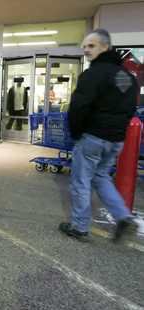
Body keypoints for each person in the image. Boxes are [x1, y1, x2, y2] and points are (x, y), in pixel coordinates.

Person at [59, 28, 138, 242]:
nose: (86, 50)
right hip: (115, 140)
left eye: (91, 45)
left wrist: (76, 133)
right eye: (84, 46)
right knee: (101, 177)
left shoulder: (93, 74)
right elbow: (130, 108)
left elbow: (78, 106)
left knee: (80, 182)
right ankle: (123, 217)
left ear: (106, 46)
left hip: (93, 137)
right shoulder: (126, 77)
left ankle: (79, 227)